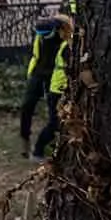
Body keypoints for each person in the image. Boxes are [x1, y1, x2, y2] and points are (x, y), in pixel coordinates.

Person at [33, 15, 73, 161]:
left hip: (59, 89)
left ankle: (58, 149)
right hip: (58, 90)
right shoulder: (66, 47)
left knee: (62, 122)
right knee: (55, 123)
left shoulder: (64, 45)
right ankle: (38, 150)